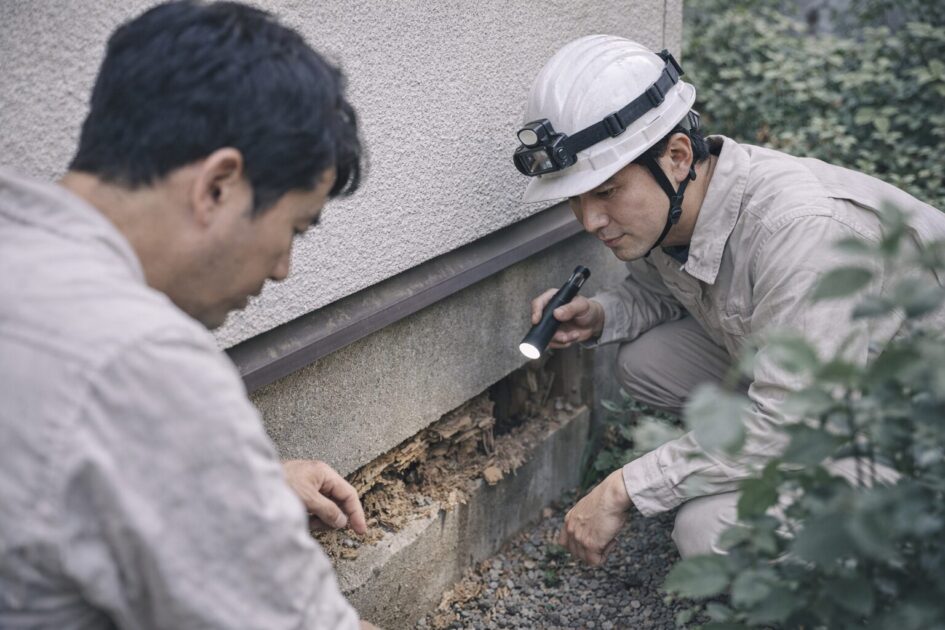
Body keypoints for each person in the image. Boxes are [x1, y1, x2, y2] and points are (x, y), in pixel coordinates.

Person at [0, 2, 379, 628]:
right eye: (294, 228)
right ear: (219, 186)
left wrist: (224, 485)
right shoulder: (140, 362)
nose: (283, 267)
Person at [514, 35, 945, 562]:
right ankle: (770, 467)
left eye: (605, 192)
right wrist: (602, 315)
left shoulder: (800, 230)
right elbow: (670, 288)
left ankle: (901, 548)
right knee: (648, 361)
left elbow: (793, 418)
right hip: (840, 388)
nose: (591, 220)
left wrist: (625, 487)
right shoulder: (676, 206)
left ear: (676, 156)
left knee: (706, 530)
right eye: (577, 199)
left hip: (914, 428)